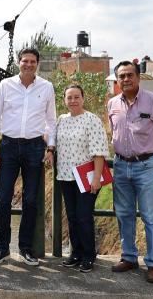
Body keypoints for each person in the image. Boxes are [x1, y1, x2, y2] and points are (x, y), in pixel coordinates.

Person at [0, 47, 56, 266]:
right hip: (8, 145)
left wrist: (51, 148)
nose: (28, 64)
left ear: (38, 63)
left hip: (35, 147)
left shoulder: (46, 87)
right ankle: (2, 248)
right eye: (25, 61)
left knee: (31, 200)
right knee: (3, 198)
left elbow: (51, 121)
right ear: (19, 63)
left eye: (32, 61)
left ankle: (26, 248)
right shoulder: (6, 85)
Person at [107, 60, 153, 284]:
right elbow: (113, 131)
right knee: (124, 214)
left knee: (151, 217)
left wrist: (150, 158)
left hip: (146, 166)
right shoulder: (112, 104)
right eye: (121, 76)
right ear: (117, 80)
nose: (126, 79)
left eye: (129, 75)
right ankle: (129, 257)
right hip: (120, 166)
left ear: (138, 77)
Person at [48, 84, 109, 273]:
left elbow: (99, 152)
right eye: (69, 97)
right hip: (66, 176)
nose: (73, 101)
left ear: (83, 98)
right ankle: (76, 253)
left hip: (87, 177)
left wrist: (97, 178)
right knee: (73, 217)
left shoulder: (92, 120)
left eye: (76, 97)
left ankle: (89, 255)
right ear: (64, 100)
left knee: (84, 216)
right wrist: (49, 150)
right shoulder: (61, 120)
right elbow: (53, 140)